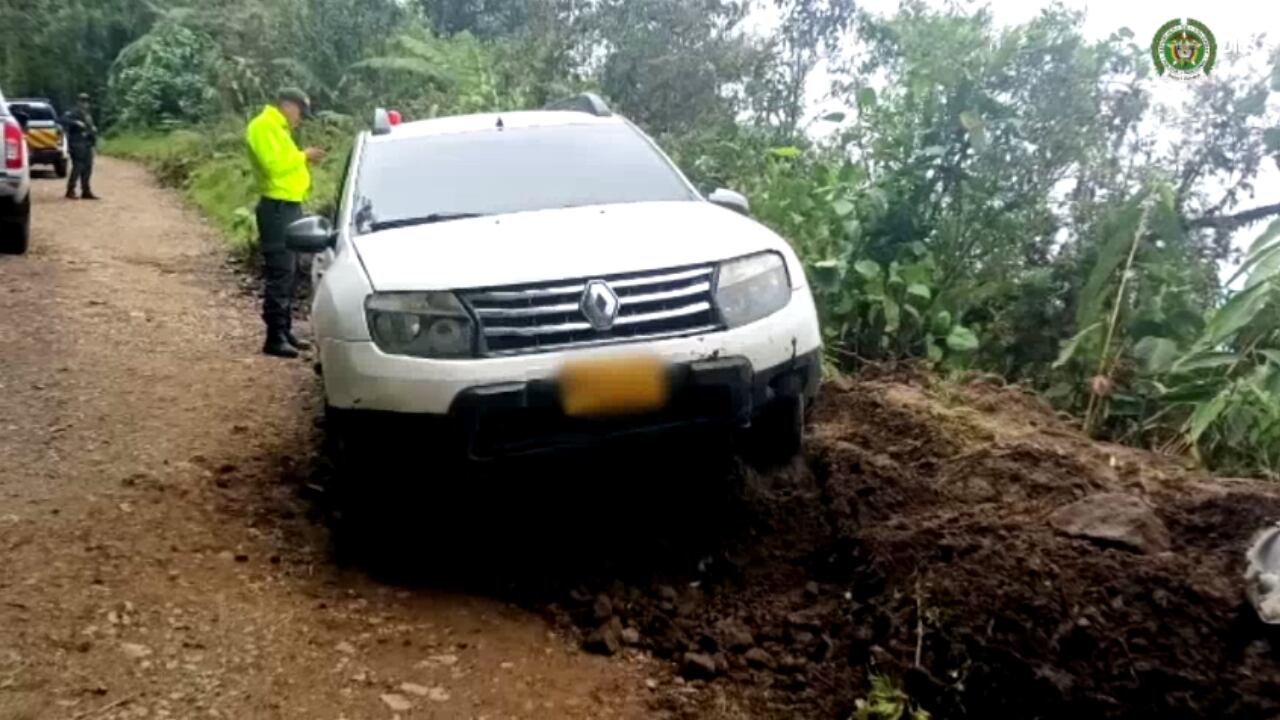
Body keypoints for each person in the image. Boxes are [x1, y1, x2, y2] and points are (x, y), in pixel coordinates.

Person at [244, 88, 325, 358]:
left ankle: (285, 329)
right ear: (288, 105)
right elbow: (274, 166)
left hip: (288, 207)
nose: (299, 120)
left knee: (290, 271)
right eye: (300, 113)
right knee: (280, 271)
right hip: (276, 209)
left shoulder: (278, 129)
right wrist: (303, 156)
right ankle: (274, 336)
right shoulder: (263, 126)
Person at [63, 93, 99, 200]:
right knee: (78, 167)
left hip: (87, 143)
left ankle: (86, 191)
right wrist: (75, 122)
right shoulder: (73, 112)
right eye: (82, 101)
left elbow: (90, 129)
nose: (85, 103)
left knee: (88, 167)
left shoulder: (87, 114)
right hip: (77, 143)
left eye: (86, 101)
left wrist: (93, 133)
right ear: (78, 102)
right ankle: (70, 190)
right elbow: (62, 120)